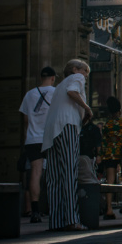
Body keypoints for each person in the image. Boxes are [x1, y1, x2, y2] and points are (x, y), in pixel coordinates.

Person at [41, 59, 94, 231]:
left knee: (54, 177)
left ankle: (56, 221)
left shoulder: (58, 86)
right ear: (75, 69)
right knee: (69, 172)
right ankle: (72, 219)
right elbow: (72, 92)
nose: (86, 76)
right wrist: (87, 108)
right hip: (67, 127)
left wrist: (82, 117)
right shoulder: (76, 78)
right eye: (85, 71)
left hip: (52, 131)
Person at [18, 66, 56, 224]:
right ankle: (54, 208)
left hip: (33, 139)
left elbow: (25, 120)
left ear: (41, 77)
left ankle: (35, 211)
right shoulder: (56, 92)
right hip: (51, 138)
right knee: (54, 173)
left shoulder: (29, 94)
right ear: (53, 78)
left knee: (35, 173)